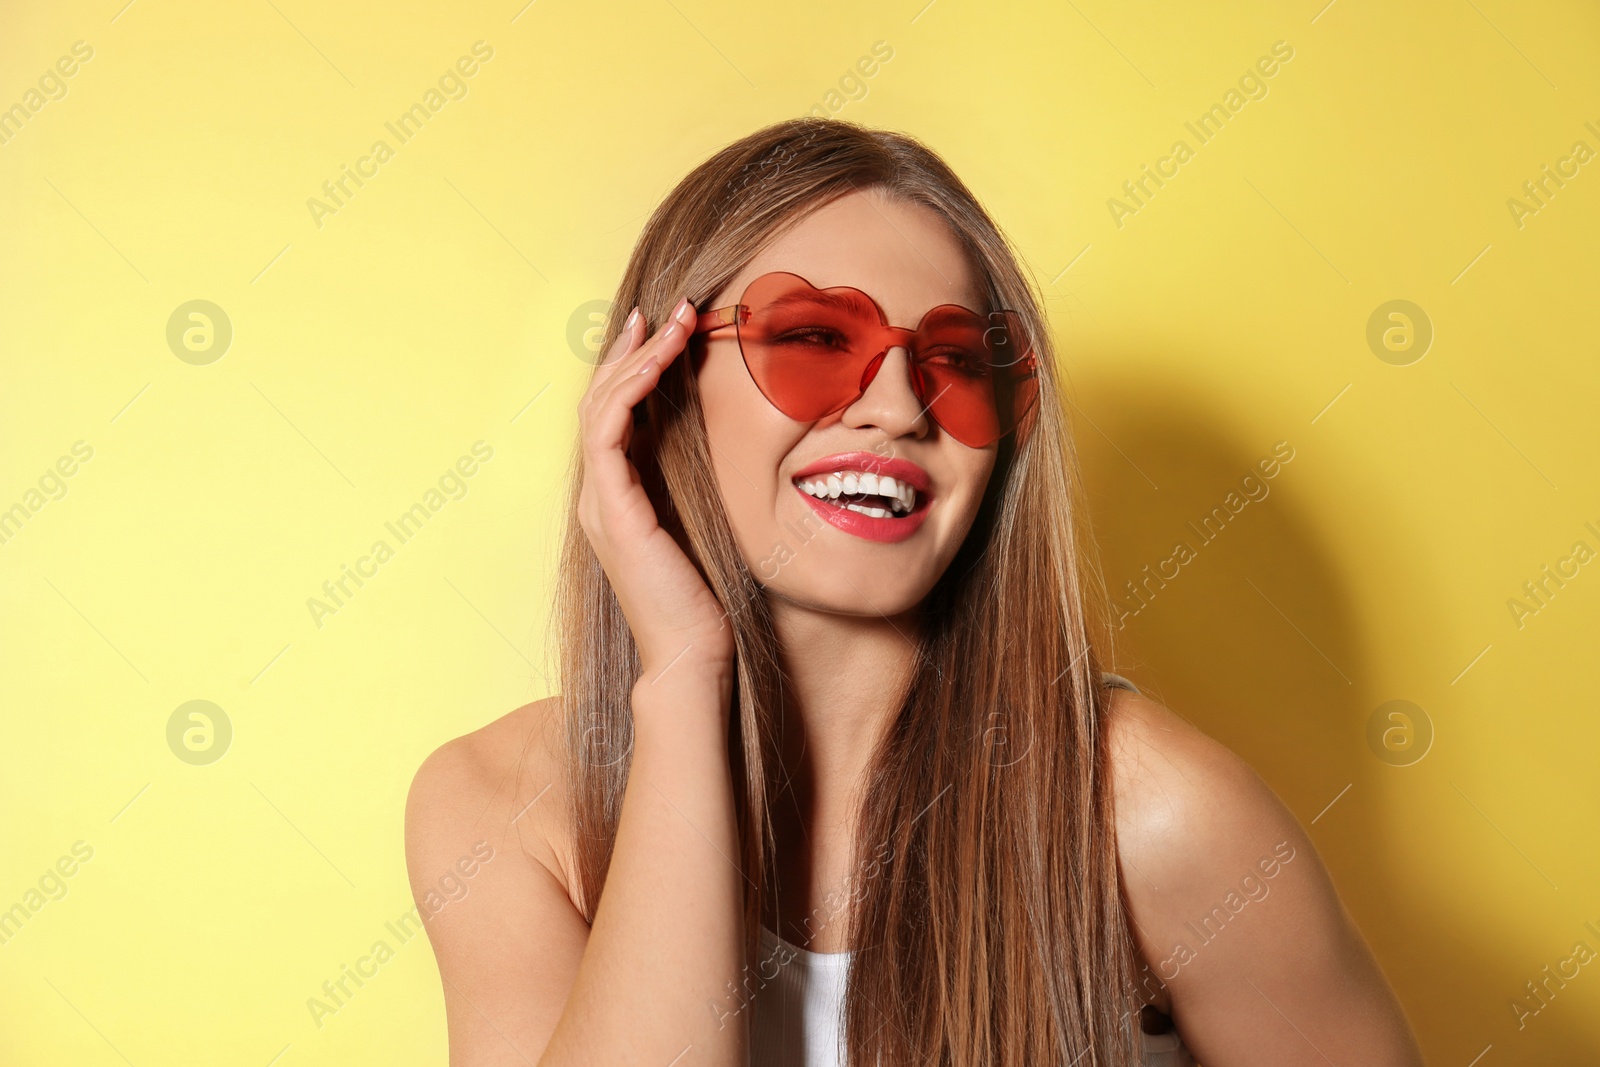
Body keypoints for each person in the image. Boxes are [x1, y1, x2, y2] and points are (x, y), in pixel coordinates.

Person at [404, 117, 1425, 1066]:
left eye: (955, 359)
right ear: (660, 381)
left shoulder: (1153, 817)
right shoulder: (500, 806)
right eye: (812, 339)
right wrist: (680, 674)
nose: (895, 407)